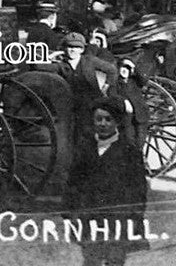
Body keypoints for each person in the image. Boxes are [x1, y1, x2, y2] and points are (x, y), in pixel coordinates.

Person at [63, 97, 150, 266]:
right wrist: (69, 212)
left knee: (115, 258)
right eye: (99, 119)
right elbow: (73, 181)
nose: (103, 124)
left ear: (117, 122)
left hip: (118, 219)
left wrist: (135, 216)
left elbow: (138, 187)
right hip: (90, 216)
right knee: (91, 257)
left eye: (108, 119)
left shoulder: (129, 151)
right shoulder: (85, 148)